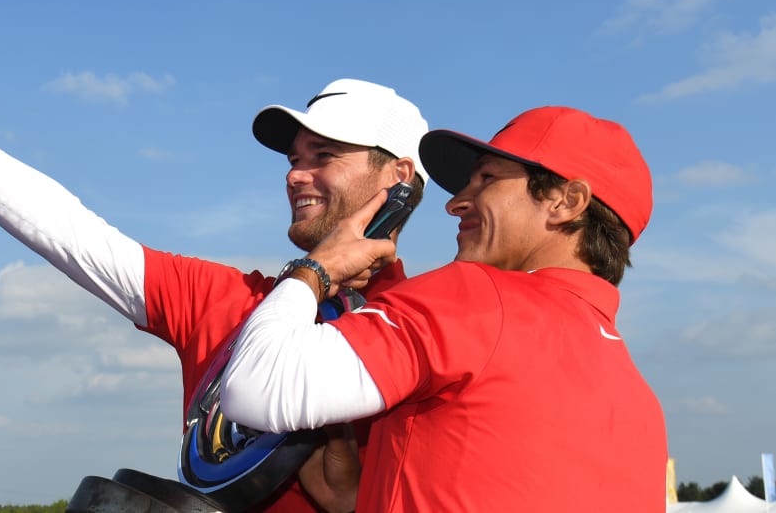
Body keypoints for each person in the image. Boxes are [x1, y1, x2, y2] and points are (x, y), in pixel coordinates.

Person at [0, 64, 430, 512]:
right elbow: (66, 230)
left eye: (323, 155)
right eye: (293, 157)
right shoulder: (225, 300)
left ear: (400, 179)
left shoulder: (440, 323)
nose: (294, 173)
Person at [220, 106, 668, 512]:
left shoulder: (476, 295)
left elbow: (257, 388)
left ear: (566, 202)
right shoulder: (643, 405)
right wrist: (357, 500)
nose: (455, 203)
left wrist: (317, 267)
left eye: (487, 178)